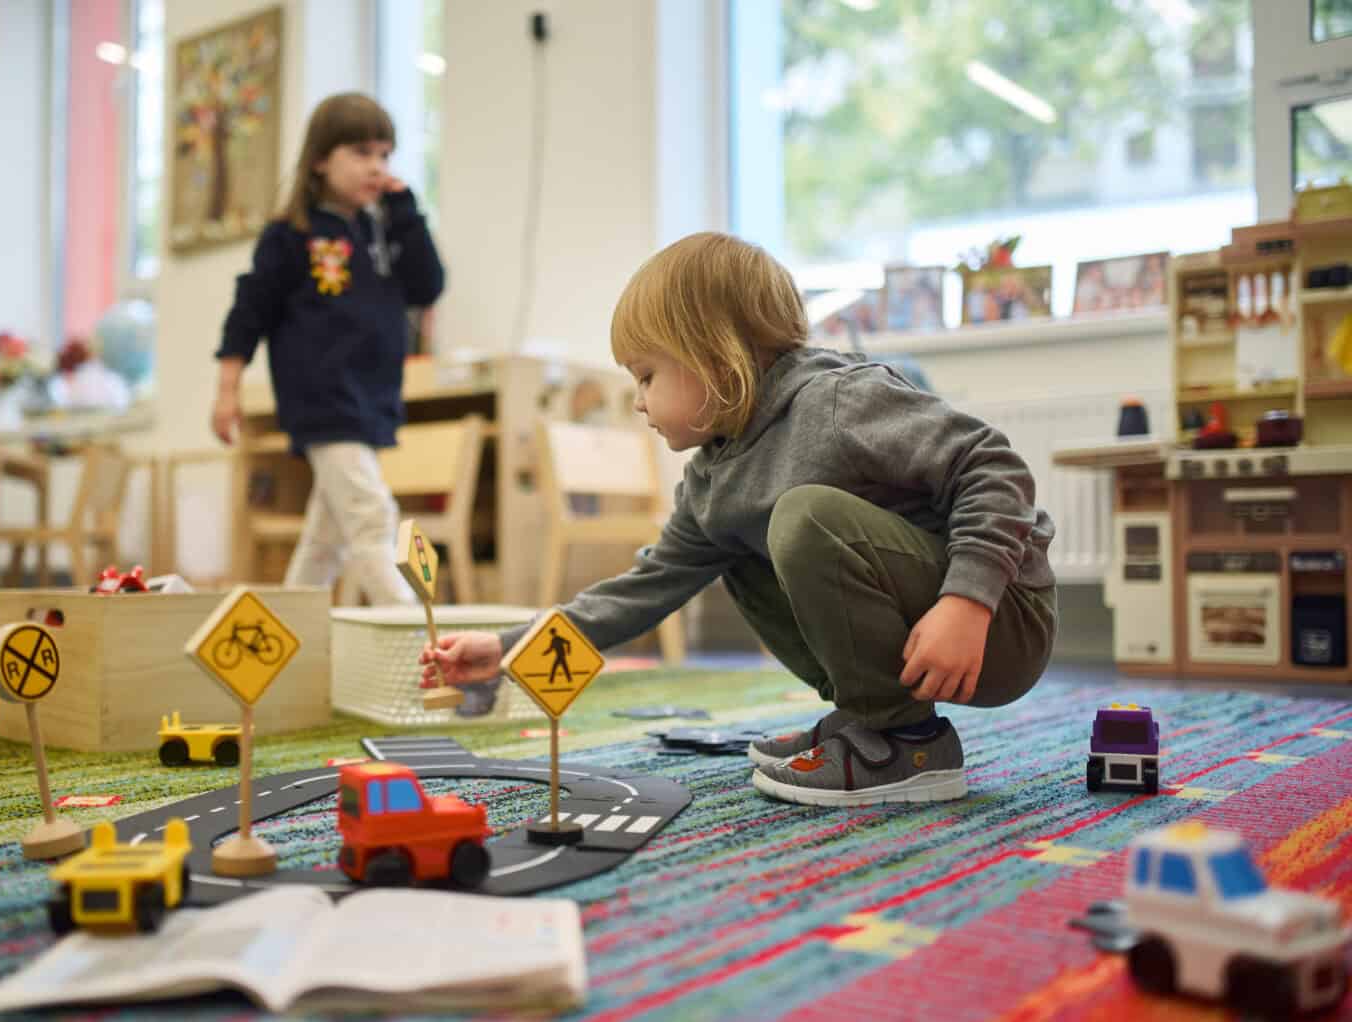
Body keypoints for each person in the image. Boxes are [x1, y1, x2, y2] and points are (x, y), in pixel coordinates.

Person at [420, 232, 1058, 807]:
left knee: (803, 517)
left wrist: (967, 603)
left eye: (646, 376)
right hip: (932, 625)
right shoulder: (711, 480)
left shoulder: (836, 401)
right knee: (743, 545)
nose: (638, 402)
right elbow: (640, 592)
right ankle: (874, 718)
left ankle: (910, 745)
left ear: (714, 356)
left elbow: (992, 465)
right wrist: (507, 649)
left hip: (999, 621)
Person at [212, 93, 444, 604]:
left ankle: (290, 638)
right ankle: (413, 639)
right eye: (361, 152)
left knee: (327, 539)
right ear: (320, 158)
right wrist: (227, 391)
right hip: (323, 401)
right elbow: (249, 312)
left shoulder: (381, 230)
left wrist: (405, 210)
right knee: (371, 517)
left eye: (385, 154)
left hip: (372, 400)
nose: (377, 167)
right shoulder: (290, 234)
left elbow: (427, 286)